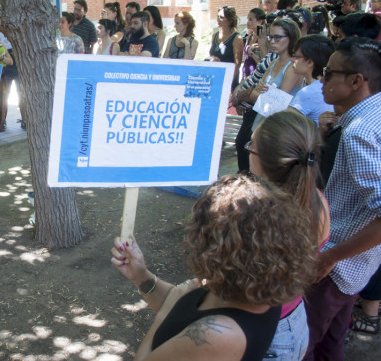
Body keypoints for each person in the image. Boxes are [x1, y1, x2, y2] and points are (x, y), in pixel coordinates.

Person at [111, 174, 316, 361]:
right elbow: (184, 314)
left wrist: (163, 313)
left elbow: (171, 315)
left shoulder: (219, 336)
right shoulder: (253, 285)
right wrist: (140, 275)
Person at [303, 38, 381, 361]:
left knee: (303, 343)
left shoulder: (358, 131)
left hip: (334, 266)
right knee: (332, 343)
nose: (322, 80)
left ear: (355, 81)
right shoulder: (367, 115)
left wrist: (330, 256)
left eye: (329, 73)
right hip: (359, 264)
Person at [248, 110, 330, 360]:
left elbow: (248, 290)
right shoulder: (317, 200)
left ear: (268, 161)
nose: (247, 149)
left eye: (251, 145)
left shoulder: (262, 218)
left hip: (262, 332)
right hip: (292, 320)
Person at [247, 18, 303, 130]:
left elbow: (277, 105)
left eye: (277, 38)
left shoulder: (293, 67)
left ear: (291, 38)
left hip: (278, 129)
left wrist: (262, 94)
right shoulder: (274, 62)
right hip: (261, 125)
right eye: (271, 37)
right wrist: (265, 95)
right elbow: (252, 94)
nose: (272, 42)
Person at [286, 35, 334, 125]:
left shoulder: (308, 92)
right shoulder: (329, 87)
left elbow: (284, 125)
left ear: (310, 62)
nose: (292, 60)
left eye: (296, 56)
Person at [208, 6, 244, 90]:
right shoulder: (215, 35)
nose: (218, 19)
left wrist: (228, 84)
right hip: (214, 78)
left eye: (221, 17)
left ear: (230, 20)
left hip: (228, 79)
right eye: (217, 16)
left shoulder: (236, 38)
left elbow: (237, 65)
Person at [242, 8, 266, 79]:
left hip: (256, 76)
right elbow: (245, 57)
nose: (247, 21)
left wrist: (251, 53)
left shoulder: (263, 39)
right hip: (245, 74)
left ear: (259, 21)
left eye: (250, 19)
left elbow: (263, 64)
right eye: (247, 19)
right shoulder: (249, 37)